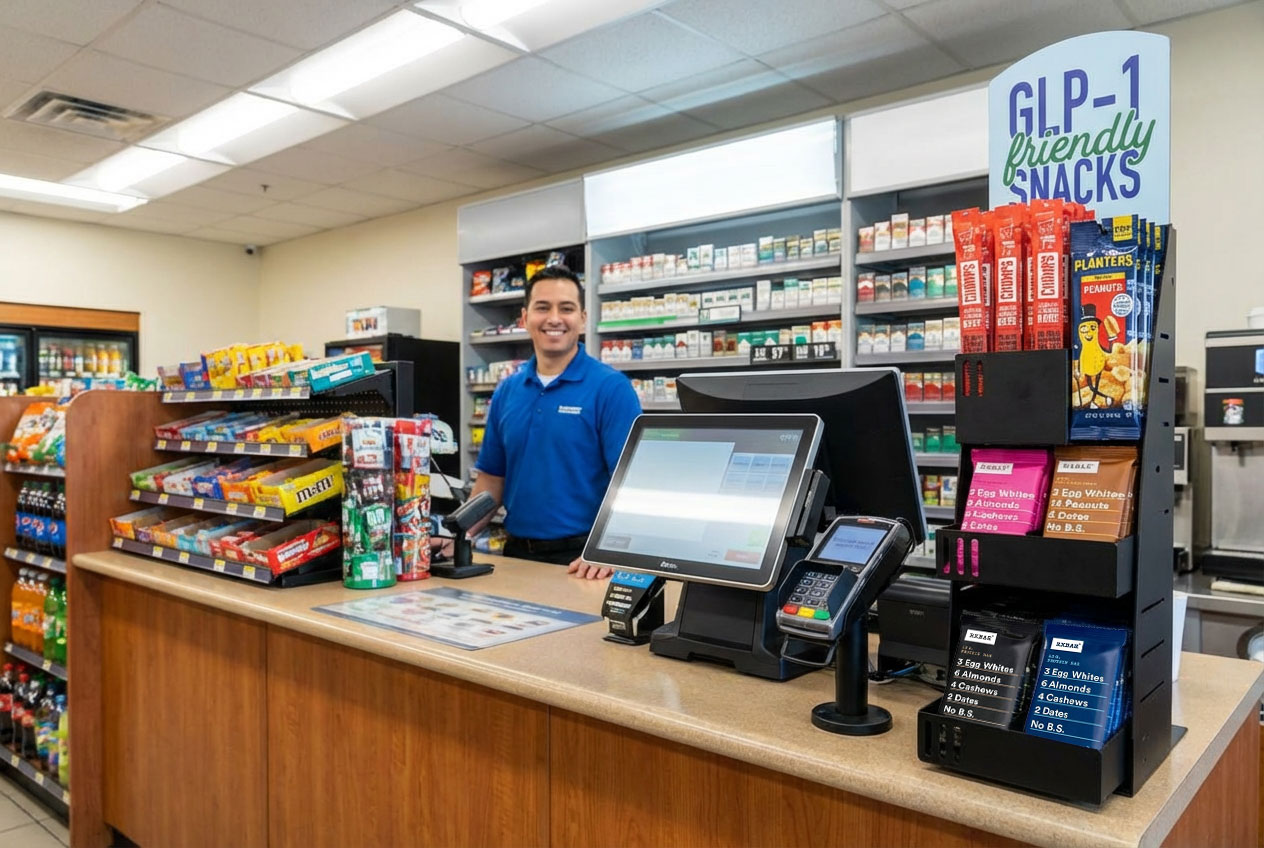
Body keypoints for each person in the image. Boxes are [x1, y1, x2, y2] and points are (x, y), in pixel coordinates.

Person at [461, 265, 641, 579]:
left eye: (566, 308)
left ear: (583, 318)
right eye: (542, 308)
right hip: (516, 553)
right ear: (525, 317)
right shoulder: (508, 391)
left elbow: (631, 481)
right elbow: (491, 481)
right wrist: (459, 535)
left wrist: (608, 549)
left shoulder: (610, 388)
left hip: (583, 560)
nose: (554, 318)